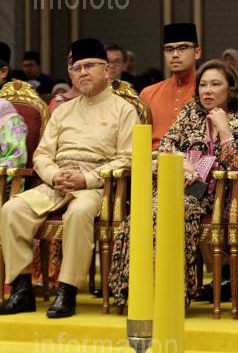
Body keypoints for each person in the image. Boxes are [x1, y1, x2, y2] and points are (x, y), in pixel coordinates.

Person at [0, 38, 140, 318]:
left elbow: (128, 158)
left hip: (96, 186)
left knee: (78, 213)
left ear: (107, 70)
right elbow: (42, 155)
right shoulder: (63, 110)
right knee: (12, 209)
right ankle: (21, 289)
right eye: (76, 68)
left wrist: (85, 179)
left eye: (90, 66)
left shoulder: (124, 110)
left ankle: (67, 291)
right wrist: (54, 175)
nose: (83, 72)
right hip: (58, 182)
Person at [109, 60, 238, 309]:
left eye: (215, 84)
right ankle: (136, 289)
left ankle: (169, 293)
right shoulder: (190, 114)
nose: (207, 91)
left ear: (230, 88)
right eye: (203, 85)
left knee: (168, 210)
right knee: (144, 213)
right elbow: (166, 145)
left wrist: (224, 131)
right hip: (178, 185)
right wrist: (181, 162)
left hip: (218, 194)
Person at [140, 23, 201, 150]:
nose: (175, 54)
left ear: (197, 52)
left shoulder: (207, 92)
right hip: (154, 159)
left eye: (182, 48)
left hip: (195, 158)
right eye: (169, 49)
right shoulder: (148, 93)